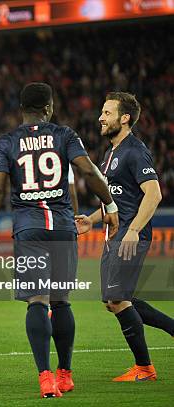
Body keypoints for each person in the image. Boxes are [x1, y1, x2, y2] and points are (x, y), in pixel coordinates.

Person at [0, 83, 118, 398]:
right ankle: (66, 374)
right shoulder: (64, 136)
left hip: (29, 230)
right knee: (61, 301)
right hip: (63, 228)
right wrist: (110, 205)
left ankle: (46, 379)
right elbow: (89, 173)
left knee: (37, 301)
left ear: (22, 109)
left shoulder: (6, 142)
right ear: (49, 108)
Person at [75, 92, 173, 382]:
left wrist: (132, 230)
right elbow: (114, 199)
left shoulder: (134, 150)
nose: (100, 118)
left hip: (130, 235)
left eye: (107, 113)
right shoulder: (111, 154)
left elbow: (153, 194)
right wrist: (91, 220)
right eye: (102, 113)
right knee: (115, 300)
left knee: (117, 299)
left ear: (124, 118)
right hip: (113, 234)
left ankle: (144, 368)